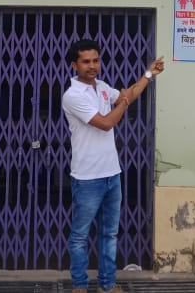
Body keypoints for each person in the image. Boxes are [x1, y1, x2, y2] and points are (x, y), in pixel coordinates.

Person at [61, 39, 164, 293]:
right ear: (74, 65)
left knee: (109, 234)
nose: (92, 66)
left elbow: (129, 94)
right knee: (80, 235)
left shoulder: (103, 87)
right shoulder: (73, 96)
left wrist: (148, 74)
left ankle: (107, 285)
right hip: (87, 178)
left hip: (111, 174)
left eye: (96, 60)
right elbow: (106, 123)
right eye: (86, 61)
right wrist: (123, 103)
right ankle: (79, 285)